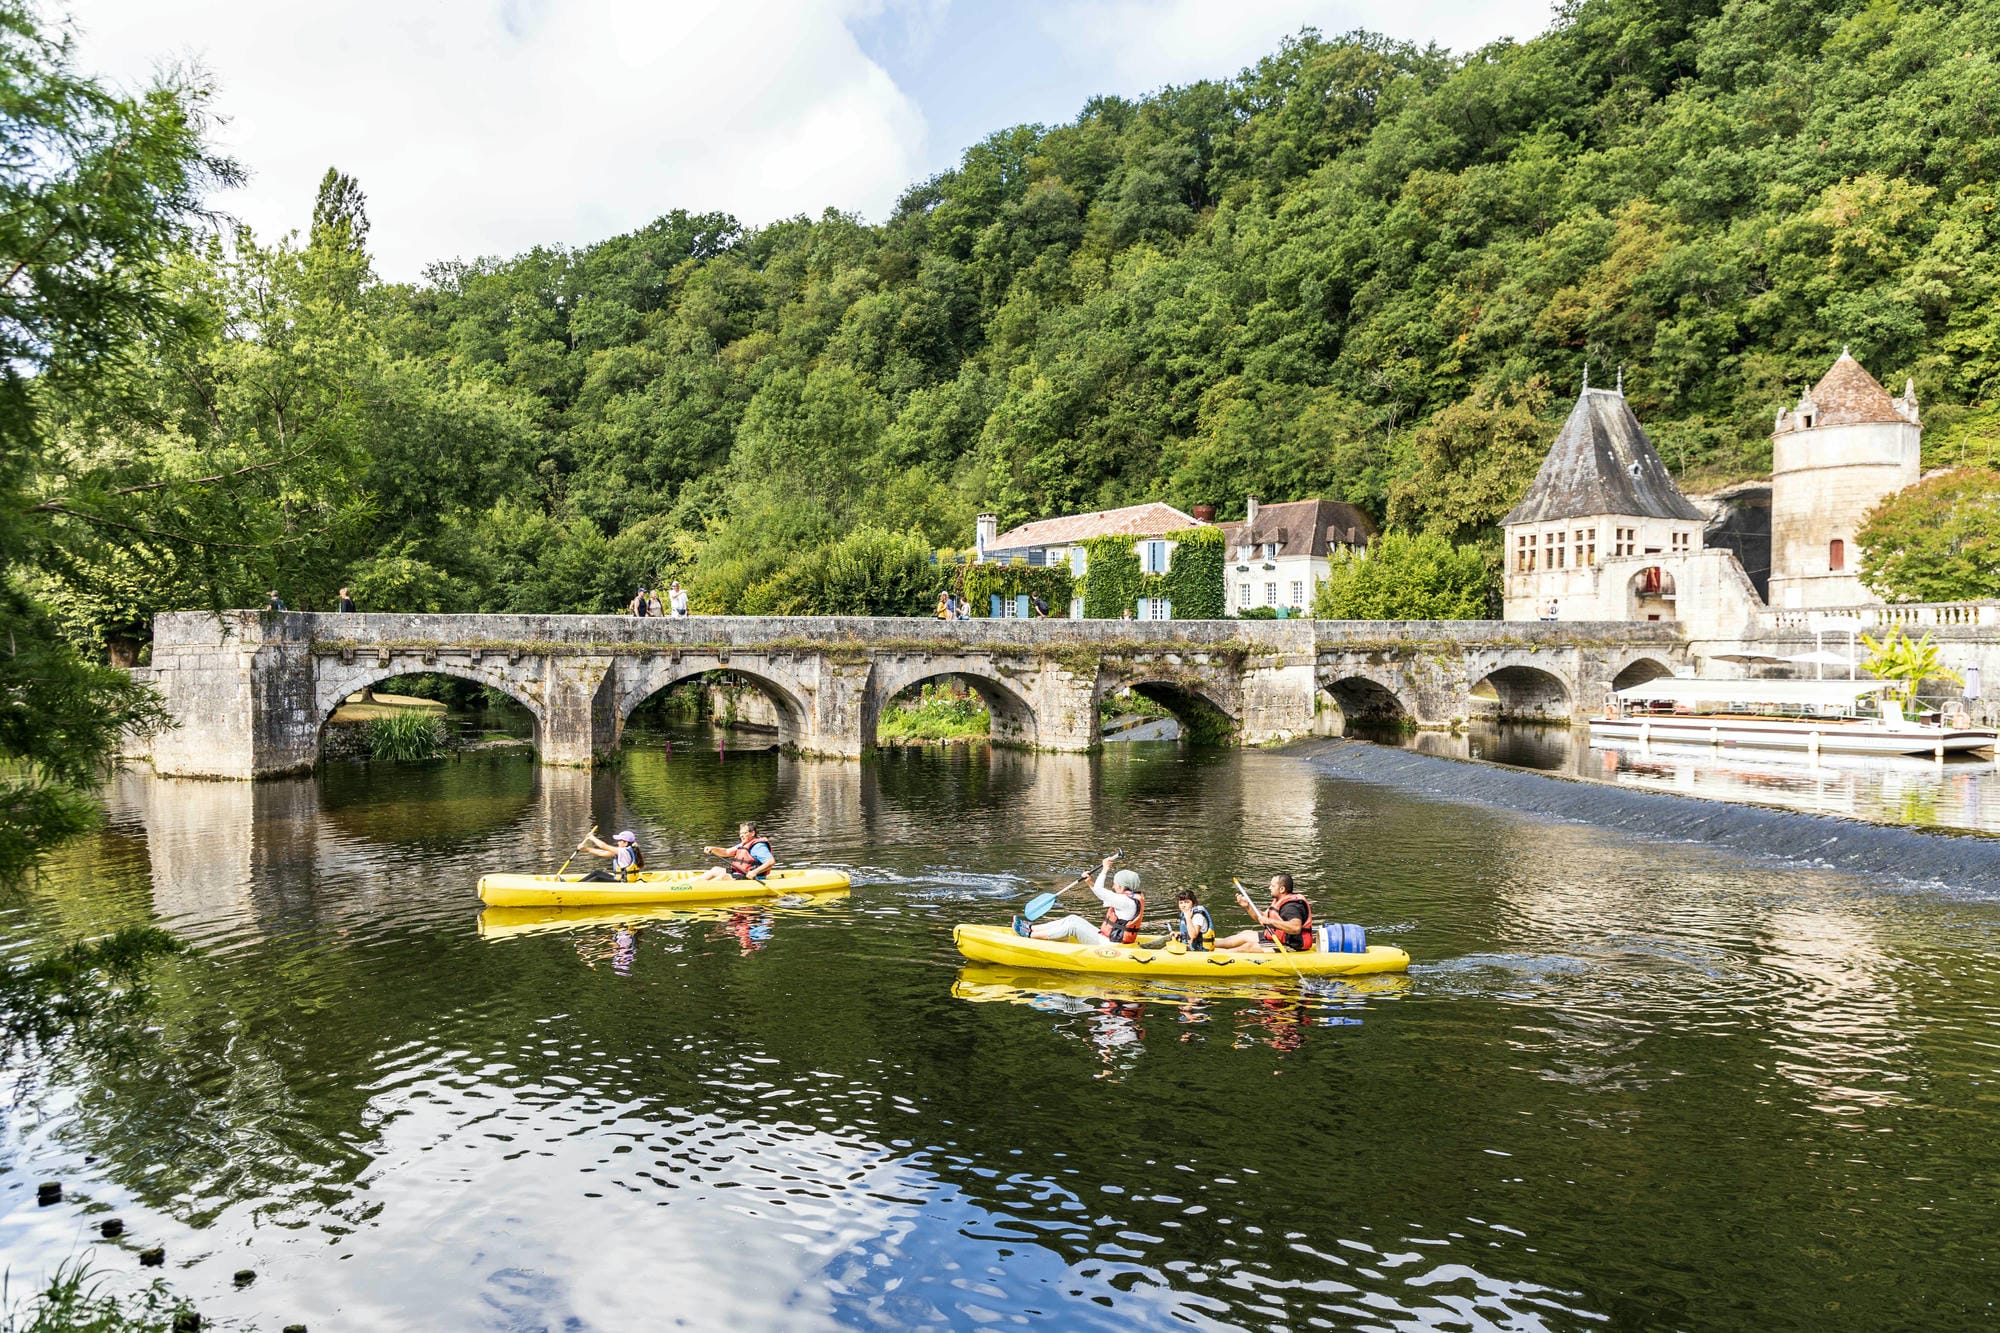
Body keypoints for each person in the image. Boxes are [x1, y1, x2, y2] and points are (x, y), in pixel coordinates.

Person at [1015, 856, 1143, 946]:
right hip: (1107, 938)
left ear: (1121, 886)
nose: (1113, 887)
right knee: (1073, 918)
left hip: (1109, 945)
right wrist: (1089, 882)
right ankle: (1032, 928)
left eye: (1115, 884)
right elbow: (1101, 893)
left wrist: (1105, 869)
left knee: (1073, 927)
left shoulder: (1125, 901)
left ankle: (1030, 935)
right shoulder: (1127, 899)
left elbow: (1100, 891)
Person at [1216, 873, 1313, 953]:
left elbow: (1295, 928)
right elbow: (1262, 918)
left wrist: (1270, 921)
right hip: (1278, 939)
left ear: (1282, 889)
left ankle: (1219, 955)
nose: (1269, 888)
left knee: (1249, 947)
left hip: (1292, 945)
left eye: (1273, 886)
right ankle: (1210, 945)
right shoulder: (1279, 901)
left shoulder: (1291, 907)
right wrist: (1248, 907)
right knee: (1245, 934)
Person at [700, 821, 774, 881]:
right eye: (740, 833)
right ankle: (692, 884)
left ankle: (700, 888)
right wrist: (713, 849)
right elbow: (726, 852)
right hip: (739, 874)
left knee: (724, 877)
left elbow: (771, 862)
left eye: (744, 833)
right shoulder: (743, 845)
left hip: (752, 878)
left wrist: (755, 872)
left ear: (752, 833)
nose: (741, 835)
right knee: (715, 869)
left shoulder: (758, 846)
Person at [577, 830, 645, 882]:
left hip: (623, 882)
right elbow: (603, 853)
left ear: (625, 843)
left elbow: (603, 846)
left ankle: (577, 889)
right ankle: (578, 885)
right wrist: (586, 849)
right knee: (597, 872)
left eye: (619, 840)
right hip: (620, 879)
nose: (617, 842)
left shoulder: (623, 851)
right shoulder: (626, 850)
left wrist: (592, 837)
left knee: (598, 878)